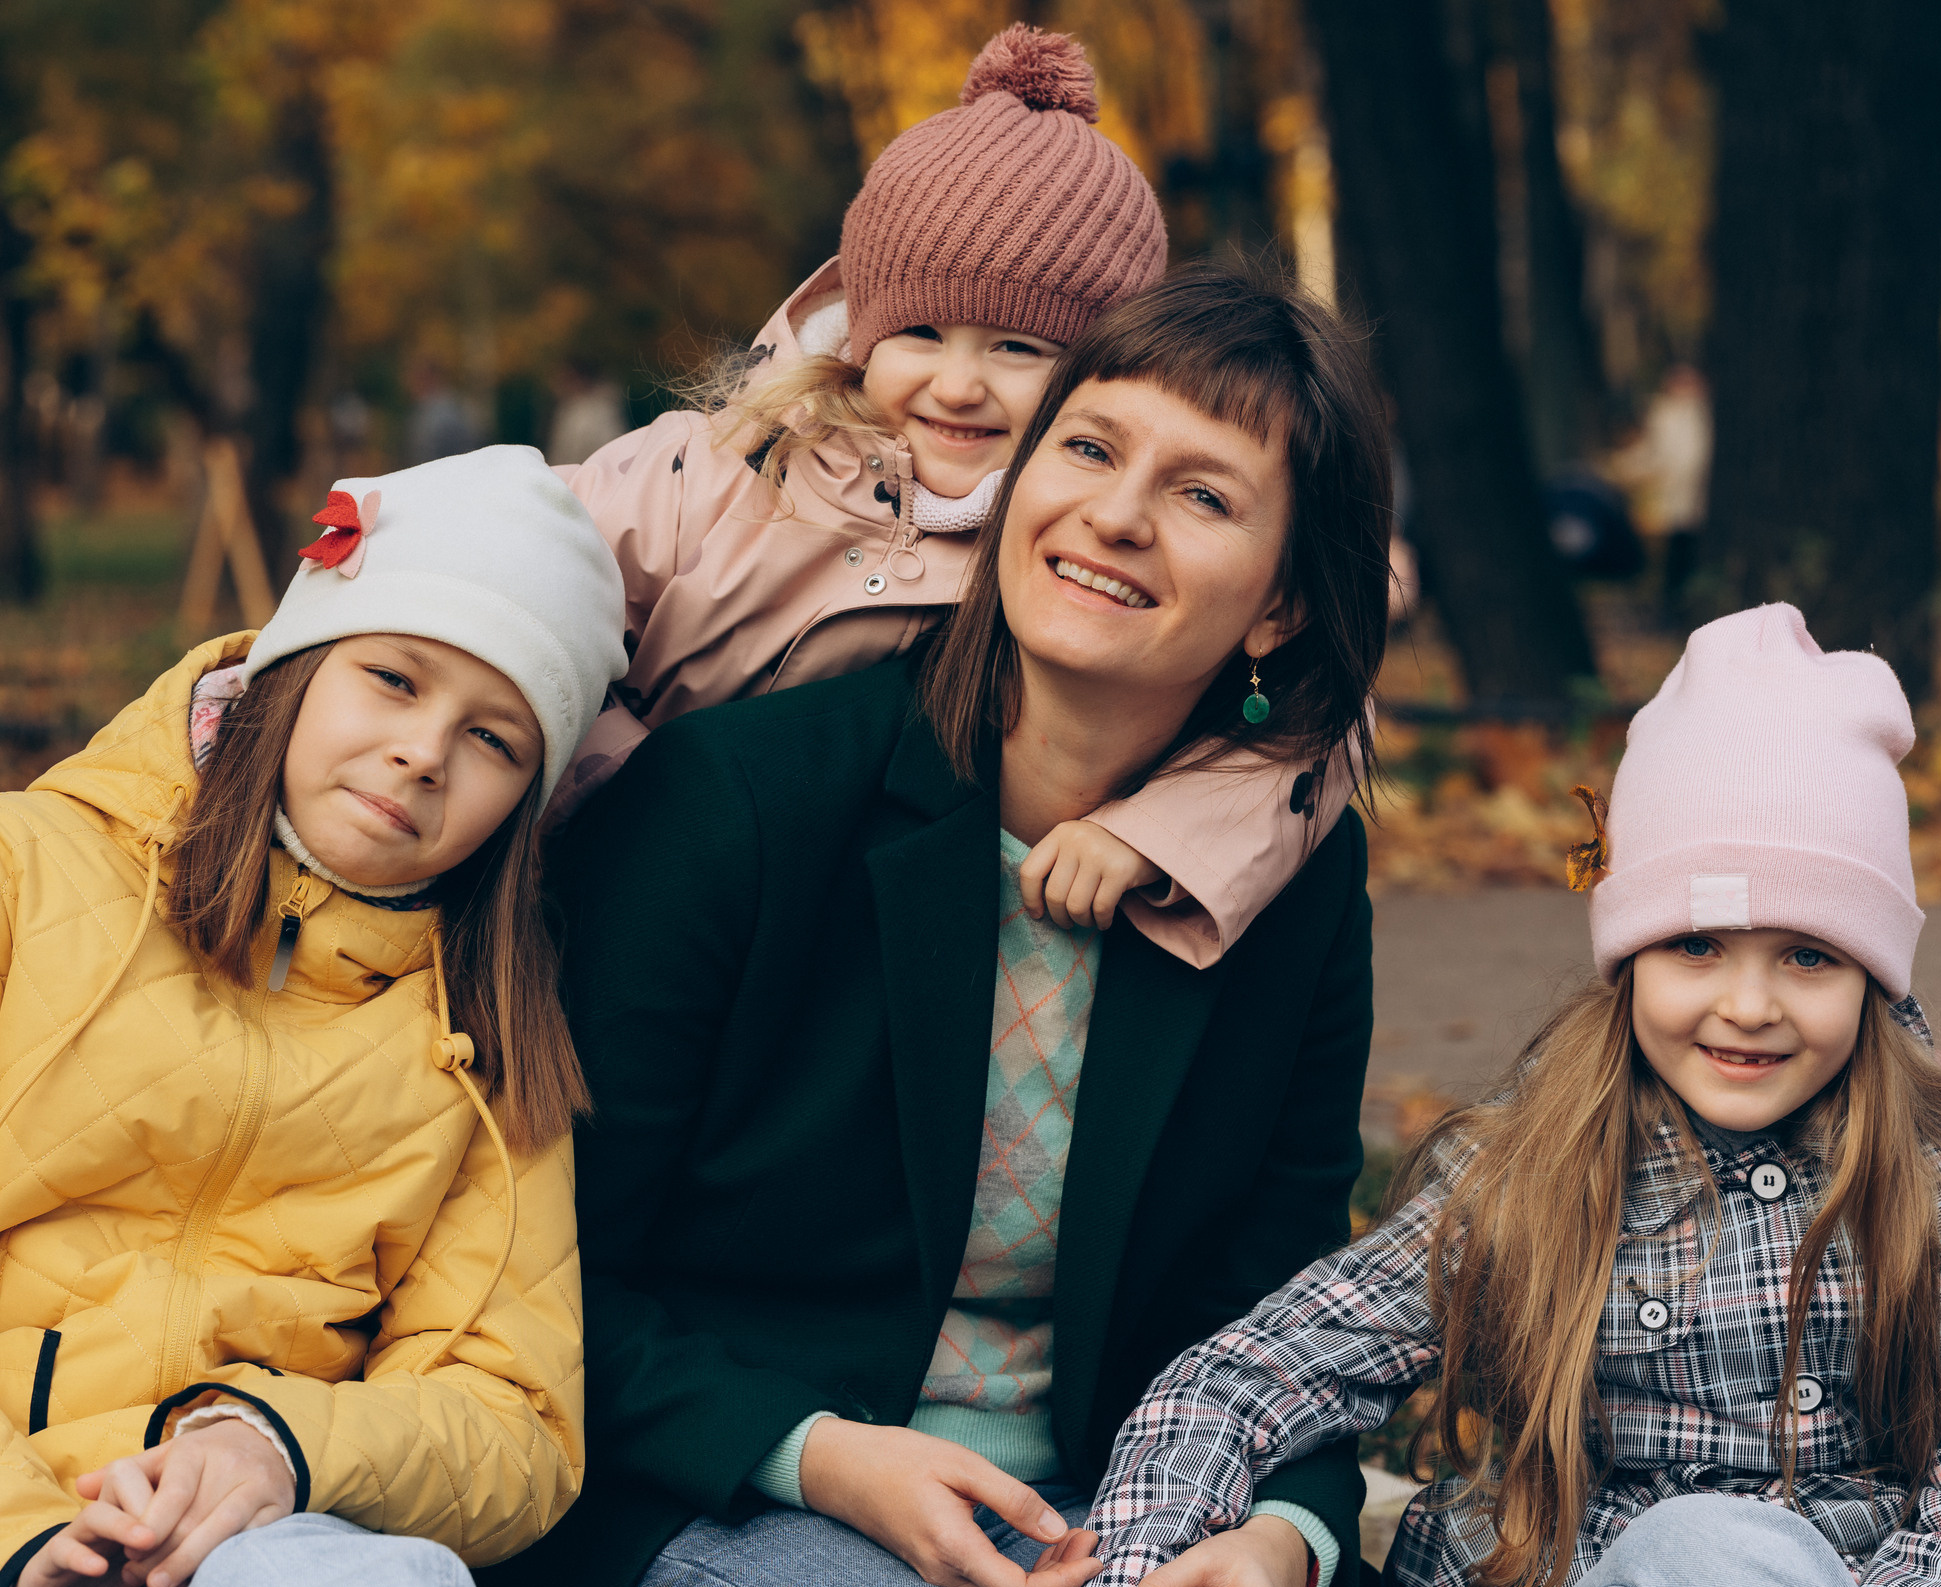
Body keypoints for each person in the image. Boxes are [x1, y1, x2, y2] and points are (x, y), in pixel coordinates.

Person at [474, 263, 1395, 1587]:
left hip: (1105, 1521)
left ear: (1280, 607)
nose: (1114, 514)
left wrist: (1283, 1542)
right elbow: (533, 1266)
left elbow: (1279, 1307)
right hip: (717, 1495)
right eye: (1087, 450)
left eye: (1204, 495)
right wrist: (822, 1451)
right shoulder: (747, 800)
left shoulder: (1286, 884)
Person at [1060, 603, 1941, 1587]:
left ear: (1875, 973)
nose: (1747, 1005)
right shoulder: (1532, 1170)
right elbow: (1245, 1377)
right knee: (1711, 1549)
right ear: (1626, 952)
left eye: (1809, 956)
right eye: (1695, 944)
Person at [0, 446, 641, 1587]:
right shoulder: (10, 869)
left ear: (527, 797)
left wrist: (279, 1448)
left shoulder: (488, 1022)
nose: (424, 751)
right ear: (295, 666)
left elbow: (513, 1418)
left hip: (241, 1557)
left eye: (493, 738)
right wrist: (18, 1541)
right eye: (392, 677)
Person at [550, 24, 1351, 970]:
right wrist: (628, 787)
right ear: (862, 335)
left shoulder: (1064, 549)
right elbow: (536, 582)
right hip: (599, 876)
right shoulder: (724, 466)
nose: (960, 385)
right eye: (922, 332)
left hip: (832, 941)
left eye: (1019, 349)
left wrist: (1165, 829)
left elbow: (1322, 710)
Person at [1609, 364, 1710, 625]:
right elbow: (1659, 456)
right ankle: (1672, 611)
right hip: (1677, 502)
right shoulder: (1666, 415)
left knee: (1683, 556)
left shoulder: (1701, 414)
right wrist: (1624, 468)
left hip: (1692, 501)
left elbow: (1682, 460)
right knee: (1675, 557)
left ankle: (1676, 610)